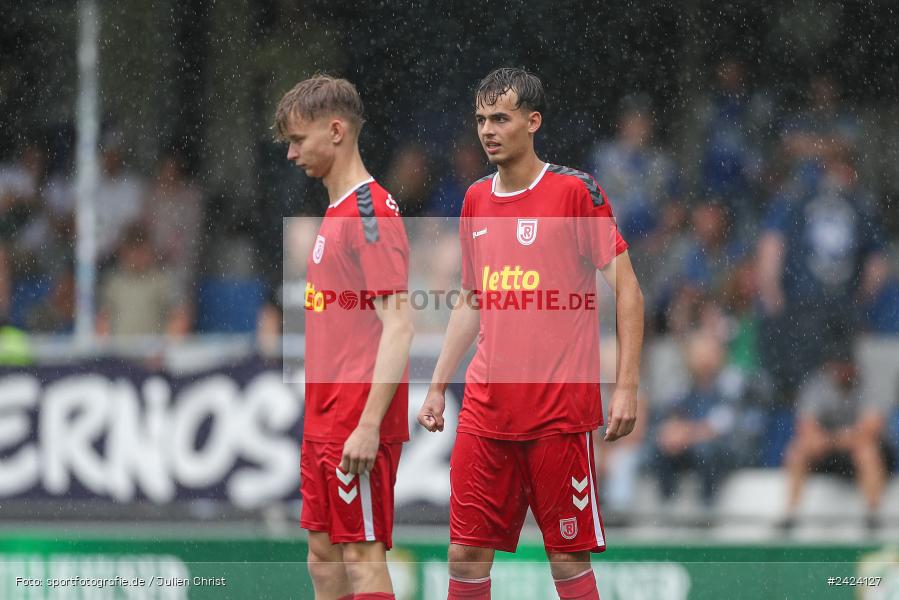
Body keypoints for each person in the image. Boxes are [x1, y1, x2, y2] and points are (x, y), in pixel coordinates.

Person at [418, 68, 644, 600]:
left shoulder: (574, 193)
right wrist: (436, 383)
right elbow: (472, 299)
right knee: (465, 555)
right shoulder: (474, 200)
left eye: (501, 117)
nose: (488, 130)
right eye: (480, 119)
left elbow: (629, 292)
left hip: (557, 417)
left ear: (533, 121)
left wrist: (627, 386)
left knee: (567, 560)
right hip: (485, 412)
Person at [274, 75, 414, 600]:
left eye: (298, 139)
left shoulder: (370, 213)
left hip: (356, 418)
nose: (291, 154)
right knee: (322, 551)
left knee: (361, 552)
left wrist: (370, 425)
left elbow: (399, 324)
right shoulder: (336, 213)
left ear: (335, 131)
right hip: (325, 417)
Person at [781, 338, 894, 532]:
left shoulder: (869, 386)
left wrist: (833, 439)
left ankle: (872, 516)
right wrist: (839, 438)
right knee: (797, 451)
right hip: (832, 450)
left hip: (864, 451)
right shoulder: (817, 386)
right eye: (837, 365)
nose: (841, 371)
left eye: (845, 365)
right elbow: (806, 428)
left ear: (854, 366)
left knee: (867, 453)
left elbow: (870, 430)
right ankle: (790, 514)